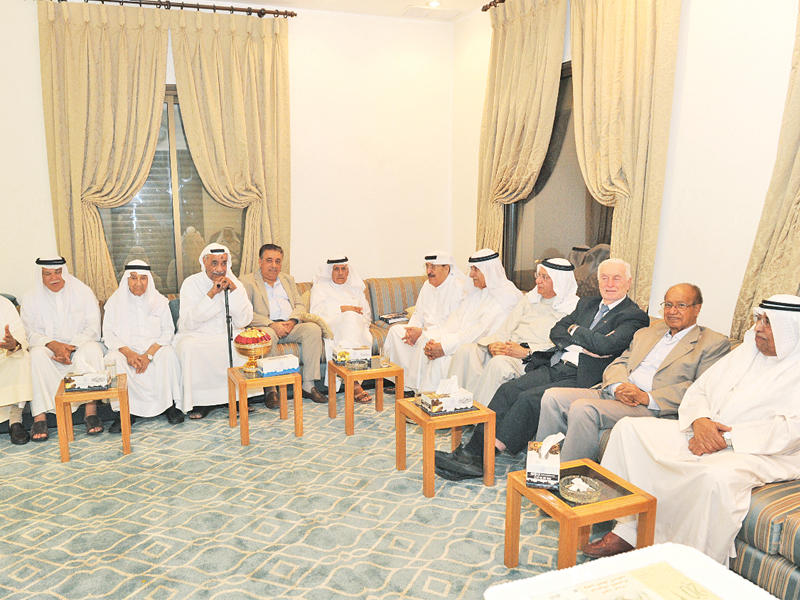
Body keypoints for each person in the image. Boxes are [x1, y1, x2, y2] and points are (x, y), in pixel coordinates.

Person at [584, 295, 800, 564]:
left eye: (768, 323)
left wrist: (725, 438)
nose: (758, 328)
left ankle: (686, 562)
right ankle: (627, 529)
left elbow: (790, 431)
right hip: (702, 430)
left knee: (712, 477)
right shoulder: (746, 352)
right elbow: (699, 390)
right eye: (759, 319)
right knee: (628, 430)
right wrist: (700, 421)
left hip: (759, 452)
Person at [435, 258, 649, 480]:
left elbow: (606, 346)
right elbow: (556, 331)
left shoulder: (634, 315)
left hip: (585, 376)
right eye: (604, 278)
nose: (610, 284)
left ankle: (480, 458)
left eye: (616, 278)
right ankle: (470, 452)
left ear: (628, 283)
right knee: (509, 389)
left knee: (529, 399)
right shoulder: (588, 304)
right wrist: (585, 338)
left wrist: (574, 331)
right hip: (556, 364)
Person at [537, 283, 730, 461]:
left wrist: (646, 397)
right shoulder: (648, 332)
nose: (672, 311)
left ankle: (569, 476)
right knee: (552, 397)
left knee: (583, 408)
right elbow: (620, 362)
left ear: (697, 308)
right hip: (618, 393)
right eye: (668, 305)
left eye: (681, 305)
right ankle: (544, 467)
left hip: (651, 407)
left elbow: (700, 389)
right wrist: (618, 386)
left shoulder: (712, 343)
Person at [448, 258, 578, 405]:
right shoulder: (530, 299)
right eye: (538, 276)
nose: (538, 281)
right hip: (508, 348)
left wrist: (527, 352)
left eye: (545, 277)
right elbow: (506, 329)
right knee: (466, 351)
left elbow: (560, 346)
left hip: (531, 359)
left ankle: (481, 416)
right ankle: (452, 405)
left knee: (499, 365)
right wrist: (494, 344)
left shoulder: (572, 308)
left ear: (560, 281)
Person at [407, 248, 522, 394]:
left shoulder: (504, 297)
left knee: (441, 359)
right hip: (464, 342)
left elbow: (478, 334)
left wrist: (445, 346)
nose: (471, 274)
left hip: (484, 351)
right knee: (427, 341)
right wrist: (435, 339)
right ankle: (421, 396)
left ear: (488, 270)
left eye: (476, 269)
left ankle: (438, 401)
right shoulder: (477, 292)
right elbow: (455, 321)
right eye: (471, 269)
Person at [21, 257, 105, 440]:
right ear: (40, 275)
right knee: (36, 355)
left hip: (79, 345)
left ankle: (91, 413)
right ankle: (40, 418)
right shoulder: (30, 297)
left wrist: (69, 348)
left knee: (93, 350)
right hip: (48, 348)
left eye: (58, 272)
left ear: (64, 272)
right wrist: (53, 345)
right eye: (48, 274)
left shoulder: (83, 292)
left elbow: (93, 328)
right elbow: (29, 333)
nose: (54, 278)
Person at [240, 243, 327, 407]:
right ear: (260, 261)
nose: (274, 265)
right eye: (269, 260)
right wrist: (272, 324)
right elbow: (246, 313)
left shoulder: (288, 279)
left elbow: (299, 305)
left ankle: (308, 385)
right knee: (267, 336)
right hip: (267, 326)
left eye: (278, 261)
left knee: (313, 329)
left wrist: (293, 321)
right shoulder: (247, 282)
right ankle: (271, 390)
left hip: (290, 325)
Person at [174, 243, 253, 419]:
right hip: (197, 334)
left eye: (224, 263)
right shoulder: (191, 283)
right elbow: (188, 322)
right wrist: (211, 294)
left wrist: (233, 292)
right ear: (204, 262)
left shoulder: (235, 284)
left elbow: (244, 320)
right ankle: (202, 402)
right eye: (214, 263)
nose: (220, 269)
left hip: (226, 332)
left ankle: (237, 397)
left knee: (241, 342)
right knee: (189, 347)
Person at [102, 260, 183, 431]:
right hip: (126, 353)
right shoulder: (114, 303)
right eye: (133, 278)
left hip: (153, 352)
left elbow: (168, 331)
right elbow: (108, 334)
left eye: (143, 278)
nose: (138, 283)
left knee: (168, 353)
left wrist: (148, 355)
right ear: (126, 280)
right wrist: (129, 354)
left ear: (149, 280)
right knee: (113, 359)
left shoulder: (160, 301)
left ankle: (170, 406)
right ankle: (124, 412)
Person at [382, 251, 468, 392]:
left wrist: (422, 332)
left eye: (433, 267)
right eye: (427, 266)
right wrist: (411, 331)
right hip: (423, 331)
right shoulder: (427, 285)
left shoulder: (459, 288)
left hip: (443, 335)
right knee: (395, 331)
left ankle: (417, 388)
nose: (428, 271)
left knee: (425, 339)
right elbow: (418, 313)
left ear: (446, 268)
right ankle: (403, 383)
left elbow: (453, 326)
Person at [310, 255, 373, 403]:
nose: (340, 273)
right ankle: (354, 383)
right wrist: (344, 310)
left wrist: (355, 316)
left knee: (352, 320)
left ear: (348, 271)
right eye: (336, 269)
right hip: (332, 325)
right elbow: (315, 314)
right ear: (330, 271)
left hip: (356, 326)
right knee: (349, 317)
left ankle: (352, 378)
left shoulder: (355, 288)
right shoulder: (320, 288)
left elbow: (367, 314)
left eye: (343, 269)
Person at [0, 295, 33, 444]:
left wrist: (13, 344)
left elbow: (20, 338)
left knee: (22, 357)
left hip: (4, 356)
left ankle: (15, 421)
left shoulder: (4, 304)